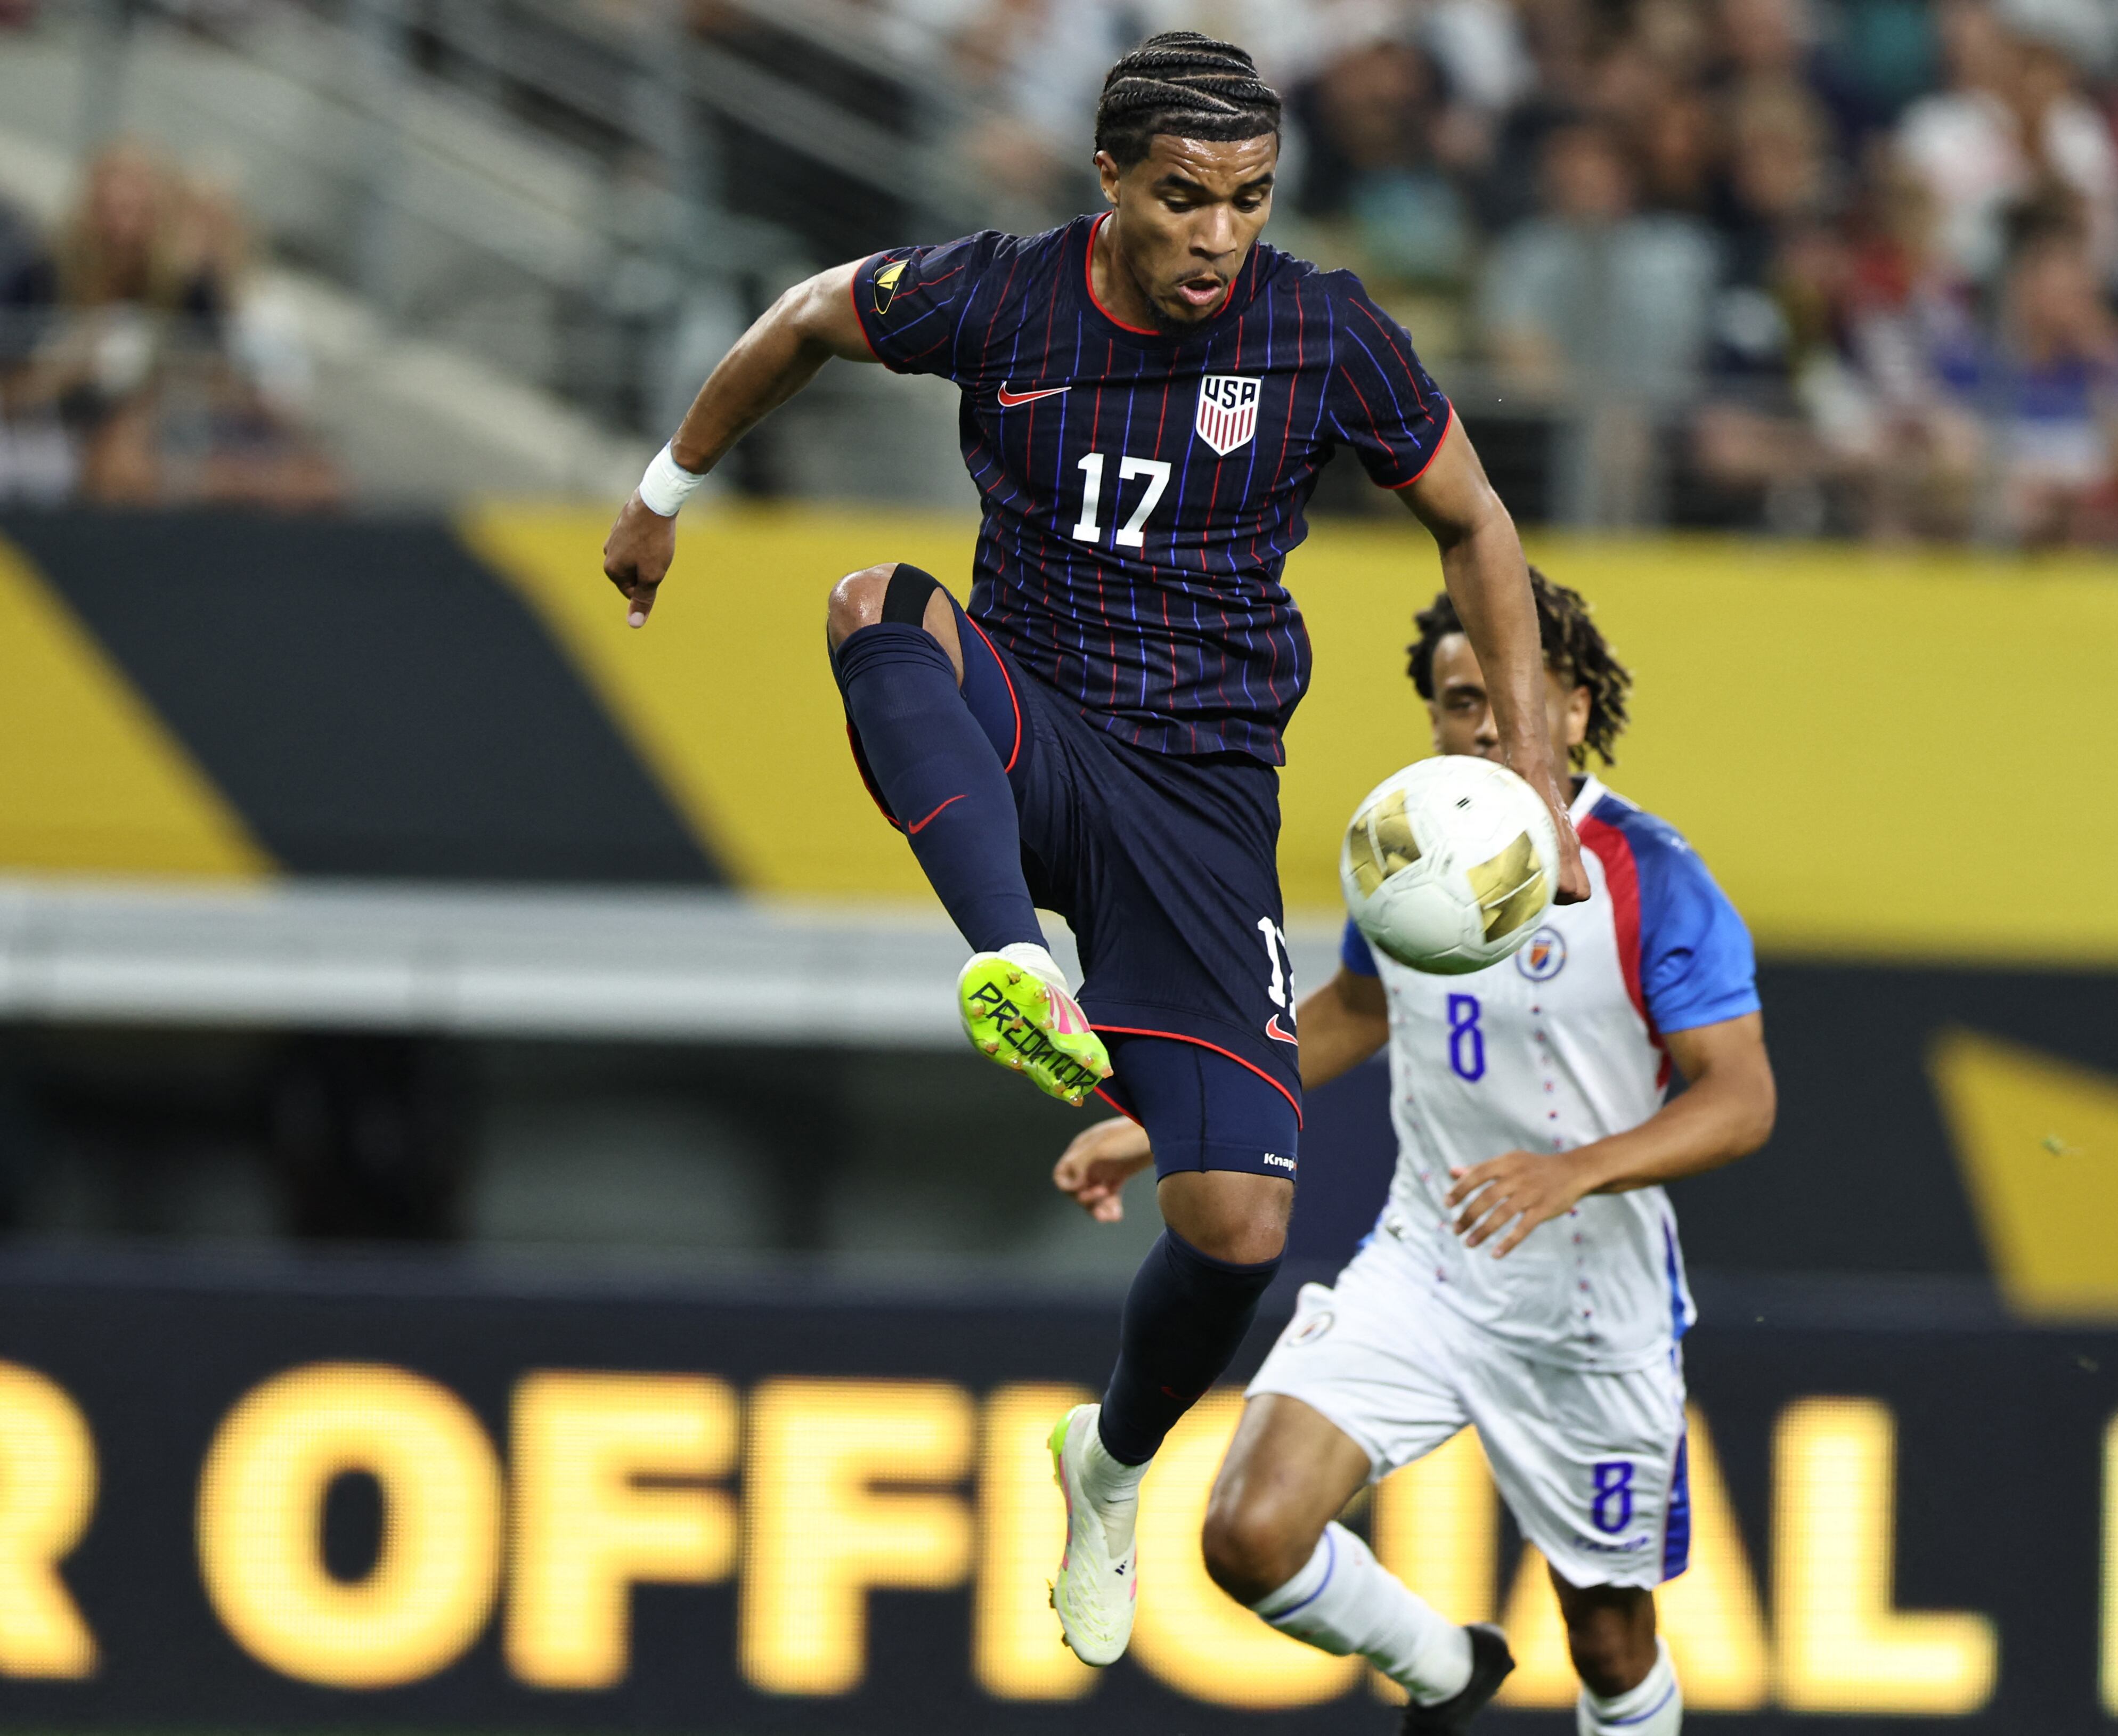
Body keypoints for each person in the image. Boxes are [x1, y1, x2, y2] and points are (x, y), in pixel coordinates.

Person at [596, 30, 1586, 1670]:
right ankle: (1010, 956)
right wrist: (662, 489)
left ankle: (1108, 1466)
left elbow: (1477, 521)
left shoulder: (1322, 331)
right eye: (1185, 199)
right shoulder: (996, 295)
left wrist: (1537, 782)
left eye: (1250, 203)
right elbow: (799, 322)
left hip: (1202, 807)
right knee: (877, 609)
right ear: (1110, 180)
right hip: (1034, 731)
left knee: (1238, 1229)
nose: (1218, 238)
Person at [1053, 572, 1777, 1736]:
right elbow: (1348, 1010)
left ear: (1577, 710)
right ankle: (1448, 1668)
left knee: (1607, 1639)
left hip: (1591, 1315)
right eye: (1455, 700)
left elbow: (1742, 1101)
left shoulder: (1650, 875)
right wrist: (1161, 1126)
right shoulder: (1402, 846)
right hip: (1425, 1268)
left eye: (1510, 696)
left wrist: (1572, 1169)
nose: (1483, 725)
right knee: (1249, 1534)